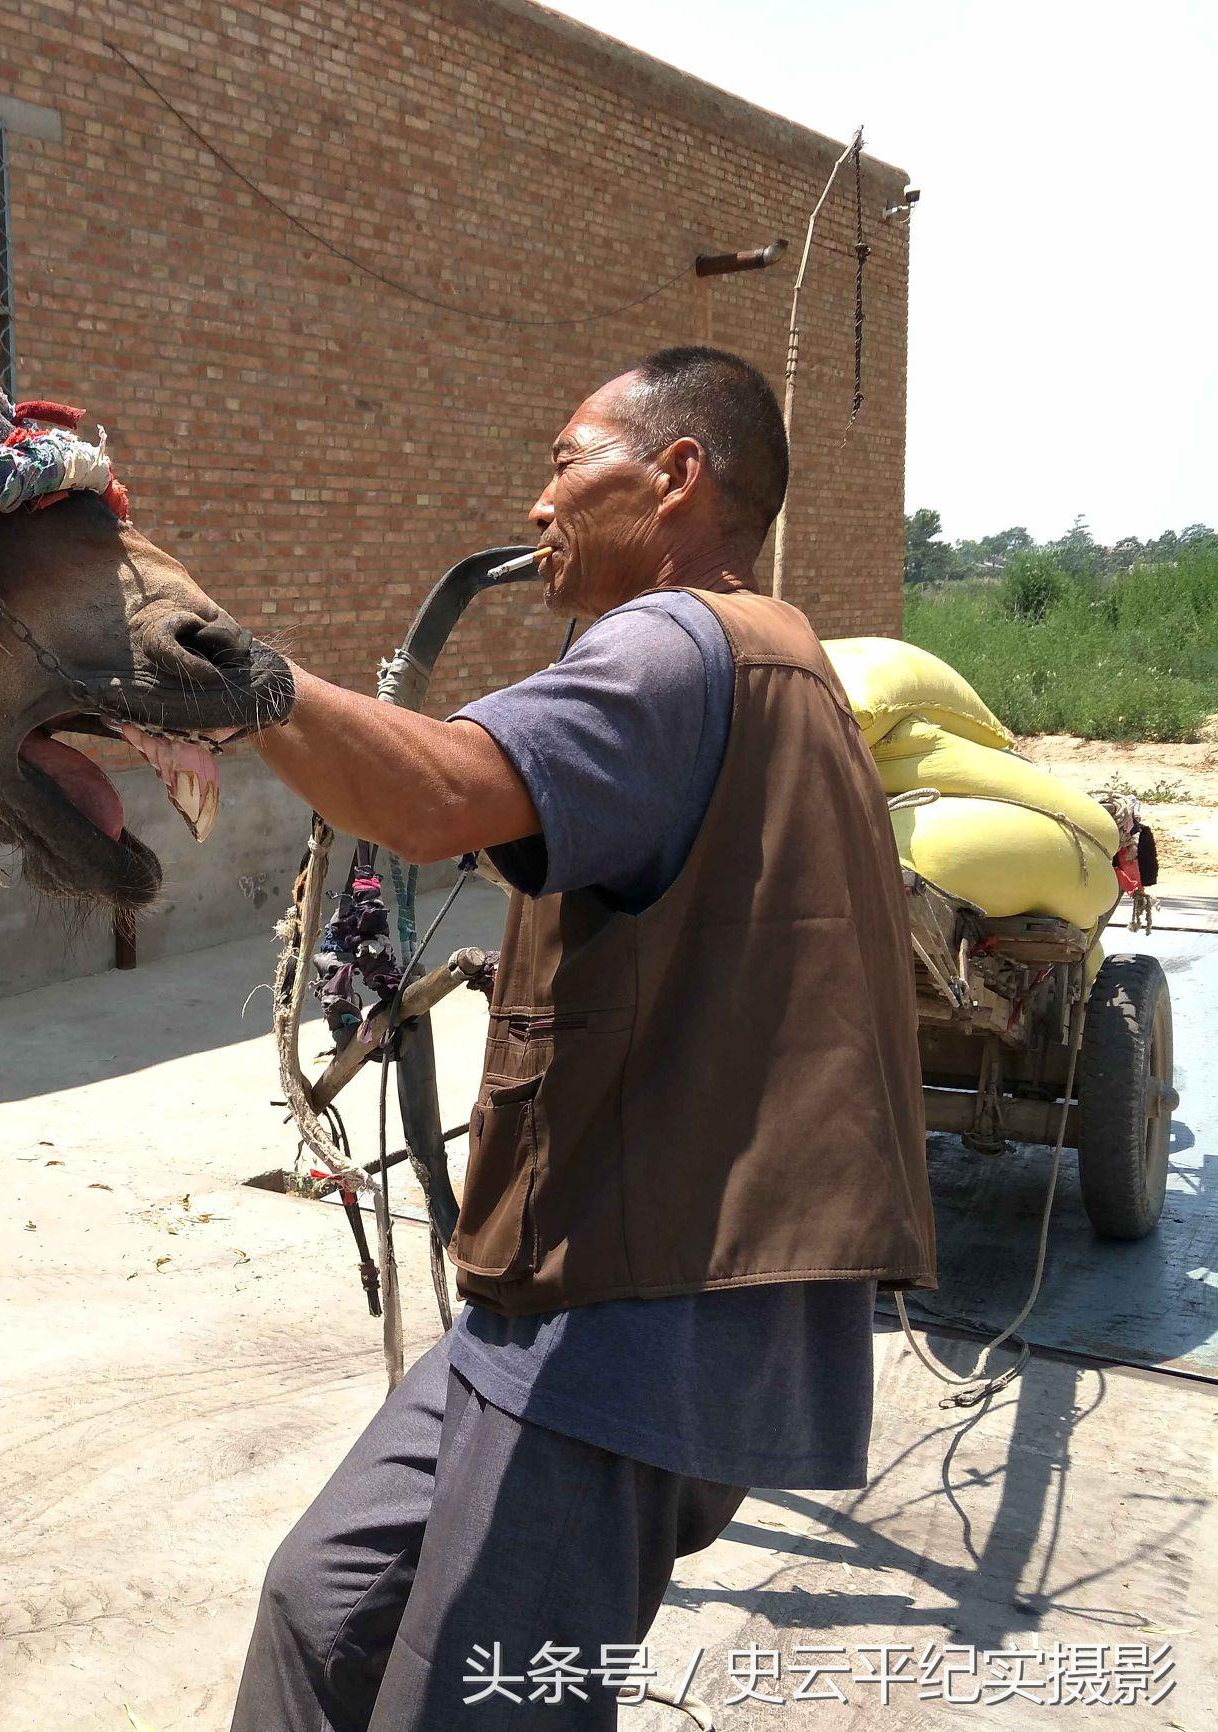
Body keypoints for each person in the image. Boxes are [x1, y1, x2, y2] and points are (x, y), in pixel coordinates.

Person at [234, 346, 937, 1730]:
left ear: (675, 477)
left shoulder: (673, 646)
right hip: (560, 1286)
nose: (538, 499)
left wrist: (228, 676)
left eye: (564, 463)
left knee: (475, 1700)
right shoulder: (760, 657)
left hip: (632, 1306)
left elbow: (435, 796)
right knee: (322, 1608)